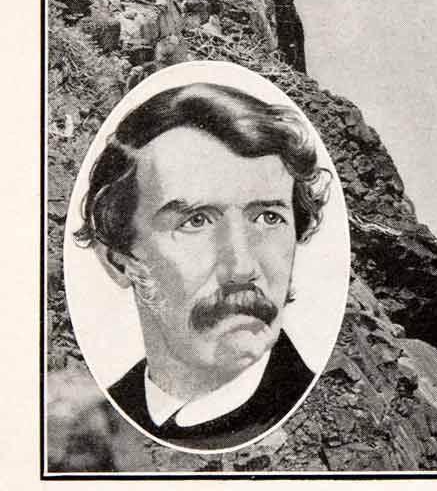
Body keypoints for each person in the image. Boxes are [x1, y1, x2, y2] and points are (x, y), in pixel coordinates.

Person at [74, 81, 331, 451]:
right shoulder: (99, 420)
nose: (242, 268)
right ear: (119, 261)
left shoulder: (319, 417)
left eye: (268, 218)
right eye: (195, 221)